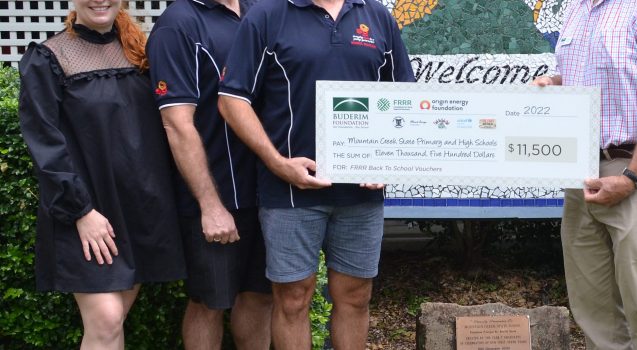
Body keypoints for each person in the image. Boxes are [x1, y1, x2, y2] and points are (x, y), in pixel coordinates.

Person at [216, 0, 414, 348]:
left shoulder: (376, 15)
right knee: (292, 299)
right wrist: (277, 162)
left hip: (360, 193)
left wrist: (388, 159)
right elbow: (232, 99)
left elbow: (403, 97)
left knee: (355, 296)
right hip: (289, 192)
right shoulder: (267, 15)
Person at [17, 1, 186, 348]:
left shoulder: (140, 50)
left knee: (111, 324)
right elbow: (44, 143)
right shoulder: (49, 58)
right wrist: (81, 212)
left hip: (140, 210)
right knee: (107, 321)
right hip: (86, 212)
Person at [532, 0, 637, 348]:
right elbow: (589, 76)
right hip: (581, 168)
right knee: (592, 302)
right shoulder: (577, 7)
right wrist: (555, 84)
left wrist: (631, 176)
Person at [145, 0, 272, 349]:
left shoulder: (260, 10)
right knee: (209, 303)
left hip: (271, 191)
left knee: (260, 297)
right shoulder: (178, 24)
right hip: (216, 198)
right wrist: (210, 204)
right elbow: (176, 123)